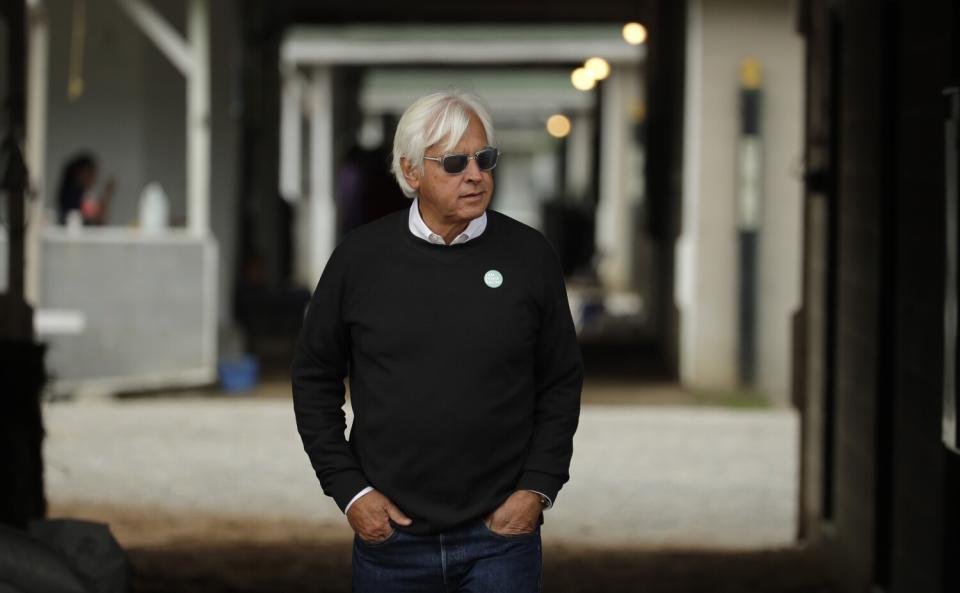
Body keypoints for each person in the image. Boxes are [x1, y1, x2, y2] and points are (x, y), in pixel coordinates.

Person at [291, 89, 583, 592]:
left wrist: (537, 488)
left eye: (484, 158)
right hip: (391, 544)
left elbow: (560, 381)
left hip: (502, 541)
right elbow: (314, 377)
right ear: (410, 173)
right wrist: (350, 491)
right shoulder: (359, 260)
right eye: (453, 162)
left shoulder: (530, 257)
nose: (475, 174)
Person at [56, 152, 114, 226]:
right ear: (79, 174)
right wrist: (107, 194)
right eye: (91, 173)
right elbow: (98, 220)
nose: (94, 178)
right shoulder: (72, 194)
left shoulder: (84, 193)